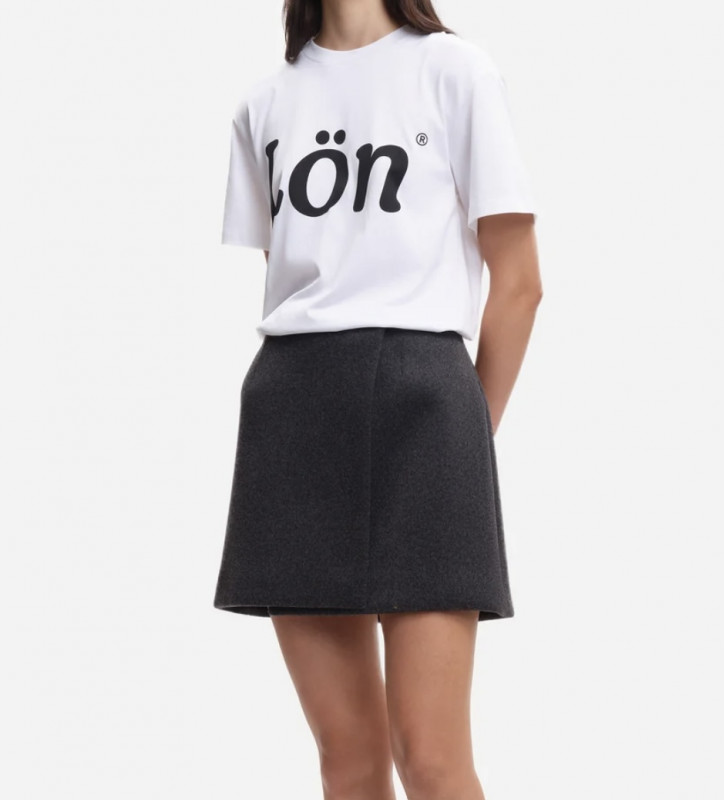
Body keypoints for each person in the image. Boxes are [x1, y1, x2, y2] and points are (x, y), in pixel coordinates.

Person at [213, 0, 543, 797]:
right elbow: (299, 276)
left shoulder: (455, 72)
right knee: (348, 757)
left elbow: (520, 283)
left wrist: (465, 437)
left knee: (430, 757)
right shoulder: (265, 104)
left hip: (427, 404)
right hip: (293, 410)